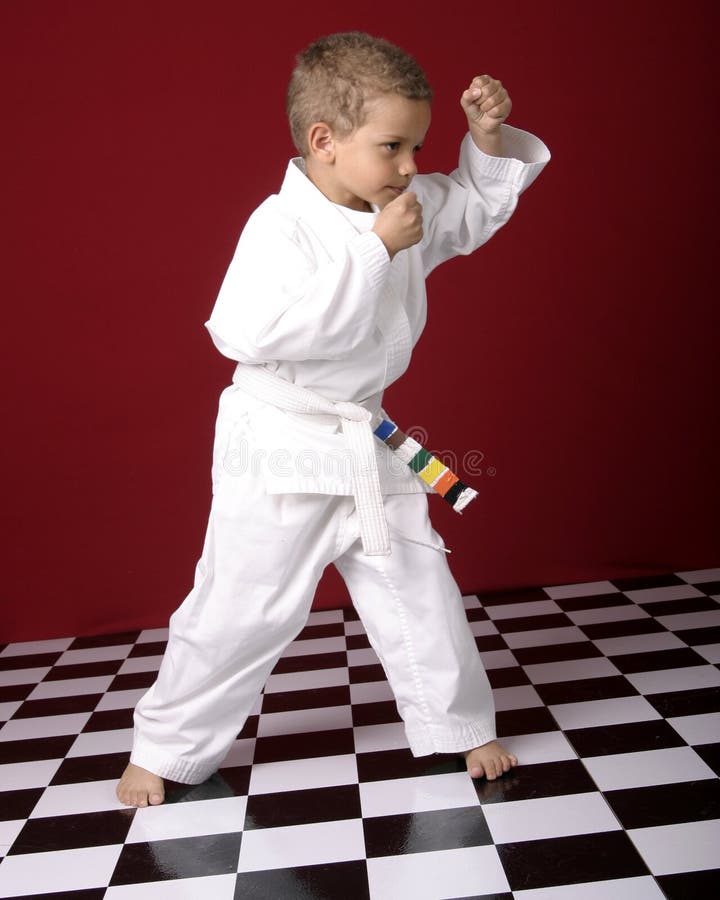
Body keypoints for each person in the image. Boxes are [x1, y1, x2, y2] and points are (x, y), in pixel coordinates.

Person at [117, 31, 550, 807]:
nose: (414, 164)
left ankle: (456, 725)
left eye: (418, 144)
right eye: (394, 146)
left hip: (366, 440)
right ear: (324, 142)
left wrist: (484, 140)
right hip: (283, 445)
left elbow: (476, 208)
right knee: (241, 603)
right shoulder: (278, 228)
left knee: (418, 577)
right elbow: (252, 334)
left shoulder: (400, 203)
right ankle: (167, 746)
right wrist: (373, 253)